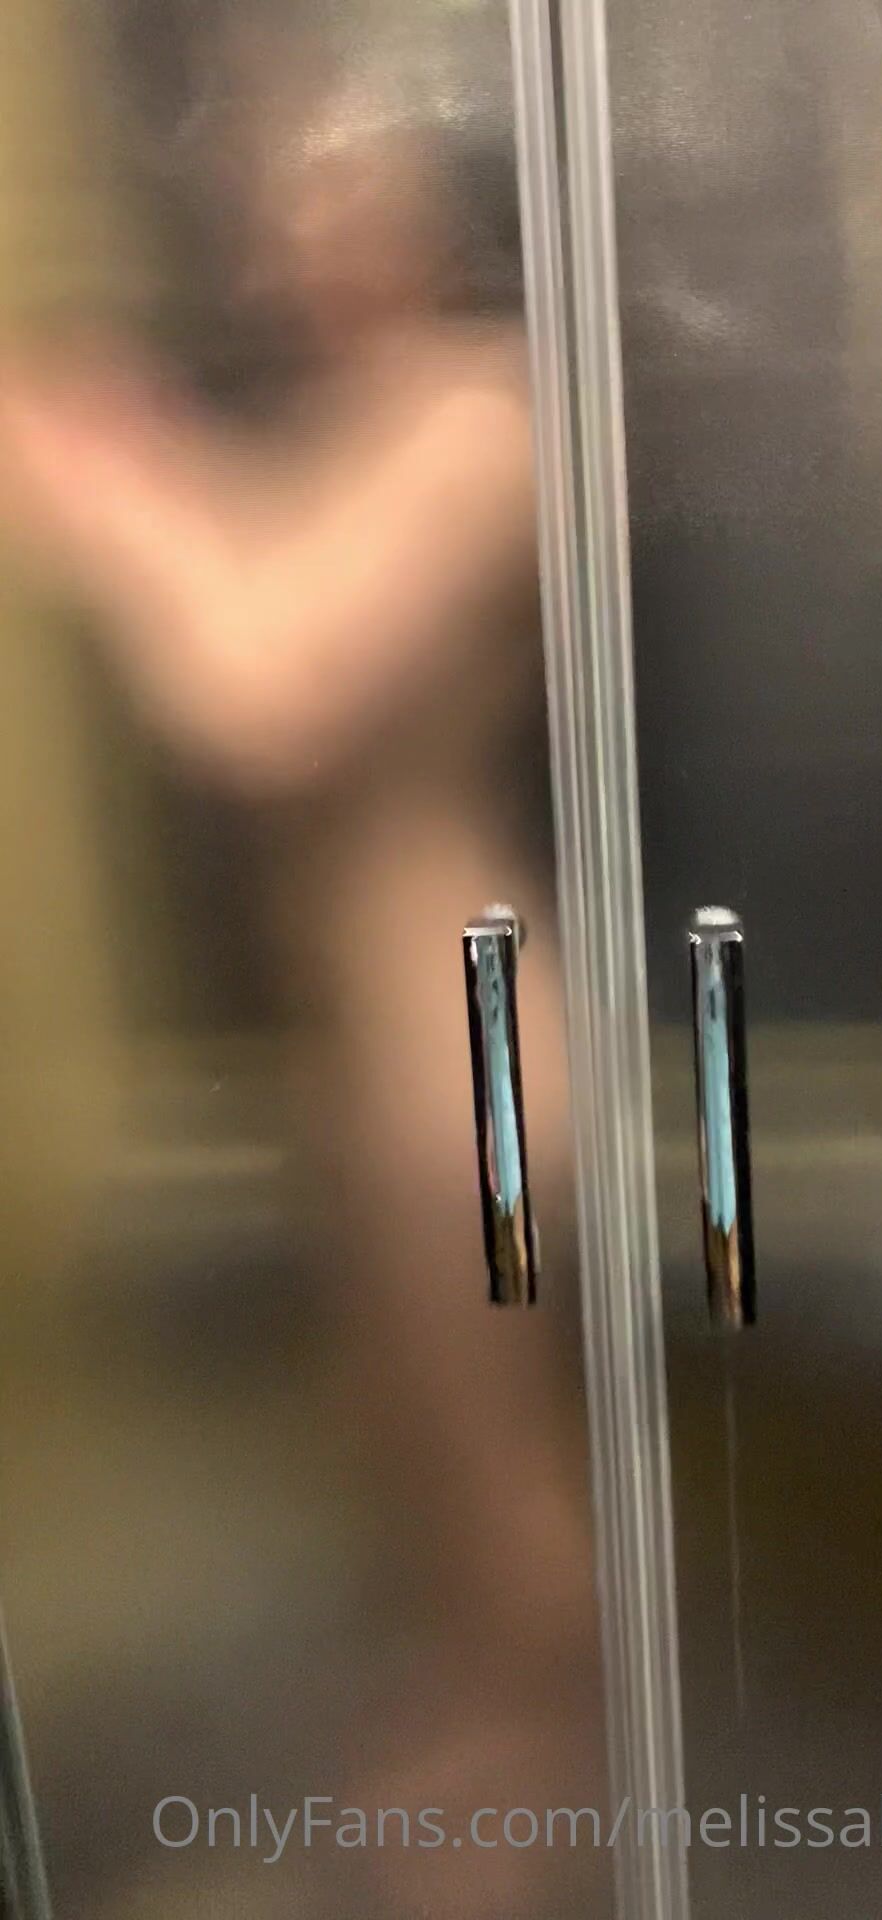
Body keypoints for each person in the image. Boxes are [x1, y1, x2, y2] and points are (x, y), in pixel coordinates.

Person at [0, 20, 604, 1913]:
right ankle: (484, 1726)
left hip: (466, 1034)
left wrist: (107, 487)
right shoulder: (384, 398)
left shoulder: (484, 406)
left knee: (490, 1453)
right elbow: (264, 557)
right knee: (407, 1425)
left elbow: (261, 689)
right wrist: (150, 467)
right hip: (379, 1024)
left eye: (335, 170)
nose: (288, 210)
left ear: (438, 189)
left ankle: (541, 1789)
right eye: (276, 173)